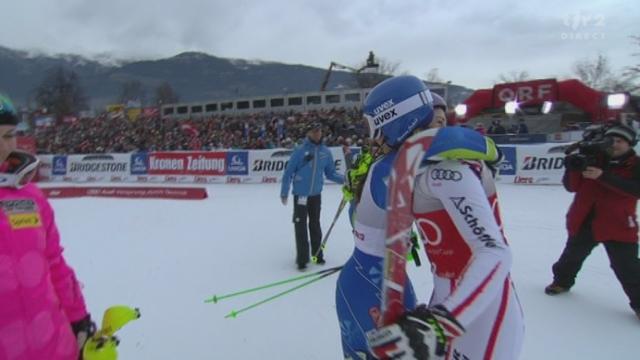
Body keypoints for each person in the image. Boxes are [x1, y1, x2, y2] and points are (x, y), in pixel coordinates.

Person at [363, 82, 524, 359]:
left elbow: (495, 253)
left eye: (375, 127)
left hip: (481, 309)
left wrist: (440, 325)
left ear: (395, 120)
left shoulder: (449, 172)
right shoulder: (422, 169)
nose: (375, 139)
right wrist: (408, 321)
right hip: (447, 296)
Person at [335, 75, 437, 359]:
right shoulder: (390, 167)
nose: (373, 135)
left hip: (383, 280)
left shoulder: (401, 160)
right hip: (369, 286)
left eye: (374, 125)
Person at [0, 94, 95, 359]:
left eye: (8, 135)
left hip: (54, 344)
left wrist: (78, 318)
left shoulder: (30, 196)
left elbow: (54, 262)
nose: (2, 146)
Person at [545, 122, 640, 320]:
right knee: (571, 256)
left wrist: (603, 176)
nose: (614, 144)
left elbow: (635, 190)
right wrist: (572, 168)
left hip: (618, 224)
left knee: (627, 267)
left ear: (630, 144)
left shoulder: (636, 164)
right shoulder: (593, 158)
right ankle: (561, 282)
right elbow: (572, 187)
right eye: (611, 139)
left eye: (620, 141)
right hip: (584, 219)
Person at [280, 122, 344, 271]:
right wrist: (284, 192)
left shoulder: (325, 152)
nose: (317, 134)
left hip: (316, 195)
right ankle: (302, 259)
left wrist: (346, 179)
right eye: (314, 131)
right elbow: (288, 173)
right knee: (300, 226)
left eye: (319, 131)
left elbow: (331, 173)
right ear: (308, 133)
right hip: (300, 195)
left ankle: (317, 254)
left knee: (315, 224)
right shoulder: (299, 151)